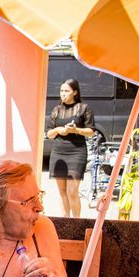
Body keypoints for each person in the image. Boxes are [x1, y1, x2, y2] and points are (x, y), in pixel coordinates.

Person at [45, 78, 94, 218]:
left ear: (75, 92)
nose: (63, 94)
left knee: (72, 191)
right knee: (62, 191)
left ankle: (76, 222)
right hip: (59, 151)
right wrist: (59, 130)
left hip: (77, 151)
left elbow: (91, 131)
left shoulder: (84, 108)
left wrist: (75, 130)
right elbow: (49, 134)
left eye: (66, 91)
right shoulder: (57, 110)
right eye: (61, 91)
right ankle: (65, 221)